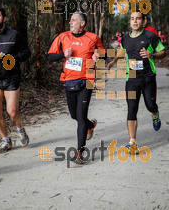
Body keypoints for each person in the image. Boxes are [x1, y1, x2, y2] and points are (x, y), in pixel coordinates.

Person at [48, 12, 106, 164]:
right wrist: (63, 54)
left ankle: (79, 152)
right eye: (70, 20)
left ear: (82, 23)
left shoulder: (93, 38)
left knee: (80, 116)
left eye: (73, 20)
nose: (70, 22)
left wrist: (98, 56)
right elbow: (50, 56)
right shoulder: (63, 37)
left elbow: (105, 53)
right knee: (74, 115)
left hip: (87, 80)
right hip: (69, 81)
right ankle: (90, 125)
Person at [107, 11, 166, 154]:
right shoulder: (125, 38)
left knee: (150, 105)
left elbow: (163, 52)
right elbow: (122, 51)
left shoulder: (150, 36)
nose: (135, 21)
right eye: (132, 19)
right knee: (131, 109)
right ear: (130, 21)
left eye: (138, 18)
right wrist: (113, 61)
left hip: (148, 77)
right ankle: (132, 142)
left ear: (143, 21)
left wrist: (151, 55)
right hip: (132, 78)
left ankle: (155, 114)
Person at [0, 7, 31, 154]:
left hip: (11, 78)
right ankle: (6, 140)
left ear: (4, 18)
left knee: (12, 111)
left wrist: (12, 59)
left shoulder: (15, 35)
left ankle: (20, 129)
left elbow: (26, 52)